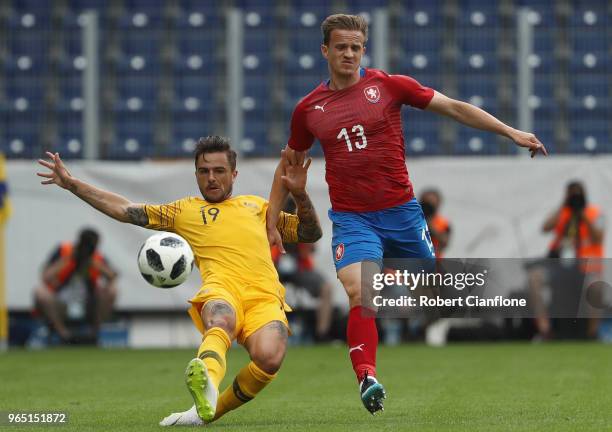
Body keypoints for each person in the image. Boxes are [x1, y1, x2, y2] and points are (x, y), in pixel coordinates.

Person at [266, 14, 547, 414]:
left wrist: (511, 132)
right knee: (359, 291)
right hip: (352, 218)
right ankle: (367, 376)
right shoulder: (309, 109)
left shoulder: (388, 86)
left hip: (401, 213)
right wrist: (272, 218)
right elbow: (289, 164)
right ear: (325, 50)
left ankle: (406, 291)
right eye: (341, 46)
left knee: (425, 278)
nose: (348, 53)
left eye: (355, 46)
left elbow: (453, 107)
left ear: (364, 49)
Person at [37, 136, 322, 426]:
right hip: (221, 289)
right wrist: (72, 184)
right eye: (204, 171)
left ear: (234, 174)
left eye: (219, 171)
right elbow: (125, 209)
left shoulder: (259, 208)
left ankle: (205, 412)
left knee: (270, 358)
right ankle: (208, 380)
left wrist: (300, 195)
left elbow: (310, 234)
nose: (211, 178)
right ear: (196, 174)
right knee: (221, 318)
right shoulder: (184, 211)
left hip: (264, 297)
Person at [532, 180, 605, 339]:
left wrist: (582, 215)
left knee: (596, 287)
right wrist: (564, 205)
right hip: (560, 266)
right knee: (535, 278)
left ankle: (592, 334)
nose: (575, 198)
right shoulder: (562, 212)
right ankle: (545, 331)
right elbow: (545, 228)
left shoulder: (595, 212)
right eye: (572, 195)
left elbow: (598, 238)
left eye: (577, 195)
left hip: (586, 266)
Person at [34, 228, 118, 344]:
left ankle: (94, 334)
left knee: (112, 290)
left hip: (88, 304)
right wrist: (69, 259)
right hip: (61, 303)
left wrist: (92, 263)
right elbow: (45, 276)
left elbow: (112, 276)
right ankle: (64, 335)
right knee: (40, 292)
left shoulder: (97, 258)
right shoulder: (64, 251)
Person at [271, 198, 333, 341]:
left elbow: (312, 248)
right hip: (274, 268)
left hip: (300, 268)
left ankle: (321, 334)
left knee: (326, 288)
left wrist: (304, 225)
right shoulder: (271, 222)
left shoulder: (301, 223)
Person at [419, 189, 451, 258]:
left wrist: (429, 224)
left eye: (431, 204)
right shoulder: (412, 220)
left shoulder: (443, 224)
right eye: (426, 203)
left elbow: (444, 242)